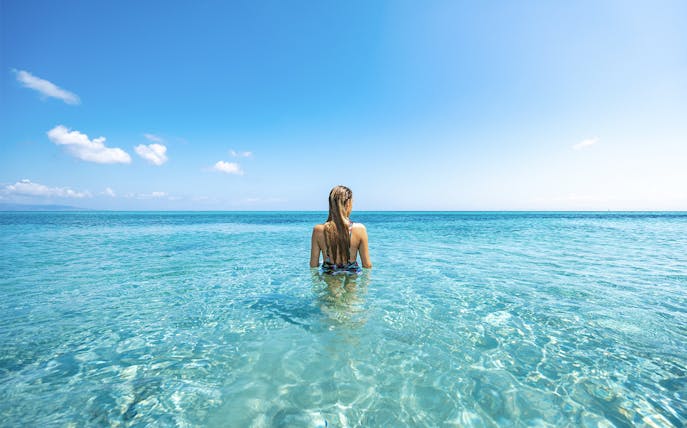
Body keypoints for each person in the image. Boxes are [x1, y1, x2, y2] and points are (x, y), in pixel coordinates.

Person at [310, 185, 372, 272]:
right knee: (351, 284)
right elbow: (367, 265)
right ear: (348, 203)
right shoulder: (360, 229)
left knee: (332, 285)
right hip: (351, 276)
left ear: (331, 204)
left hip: (329, 276)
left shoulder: (318, 230)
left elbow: (313, 265)